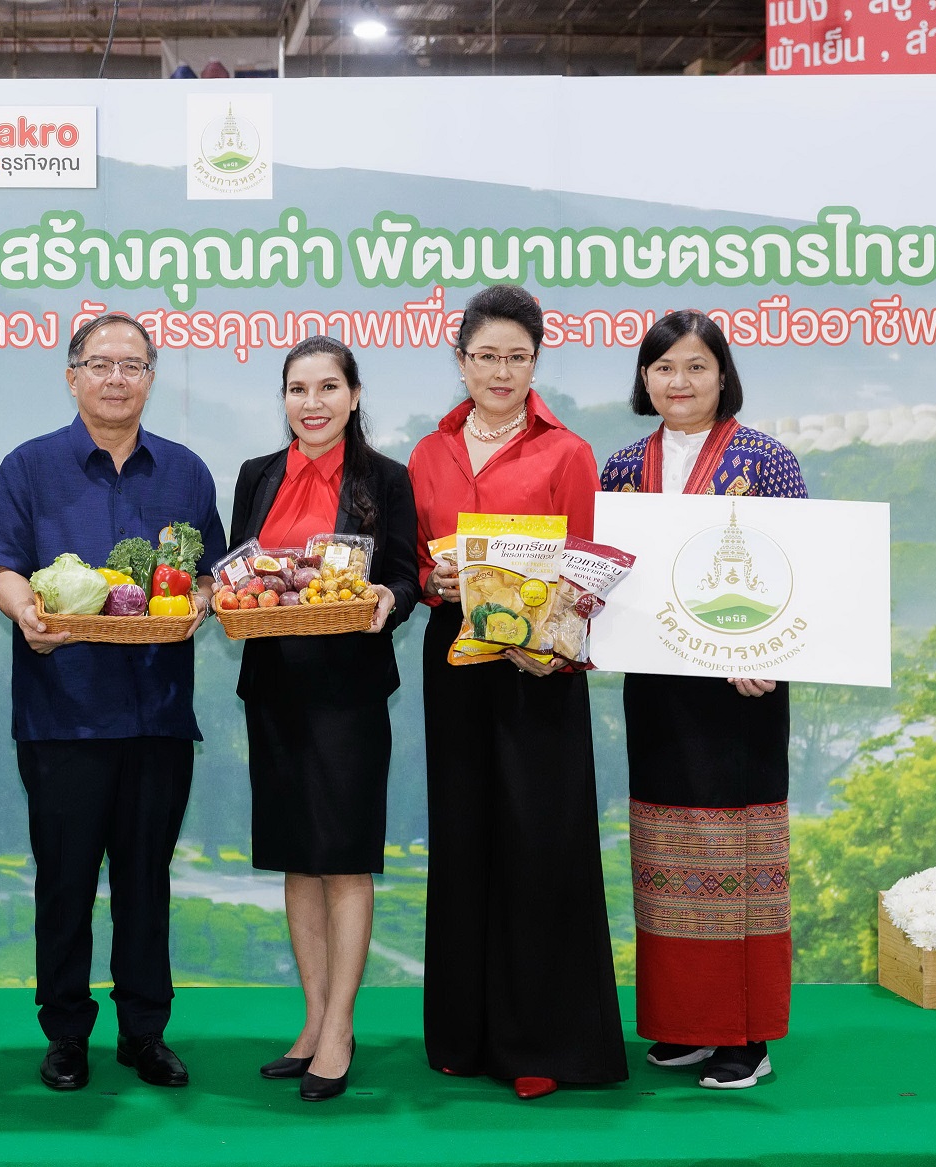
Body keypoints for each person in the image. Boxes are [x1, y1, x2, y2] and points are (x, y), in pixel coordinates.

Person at [0, 312, 227, 1092]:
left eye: (132, 365)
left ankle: (145, 1031)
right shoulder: (30, 466)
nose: (116, 378)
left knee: (148, 881)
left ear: (151, 376)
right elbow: (2, 567)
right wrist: (23, 611)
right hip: (62, 713)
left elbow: (214, 575)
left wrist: (204, 604)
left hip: (157, 713)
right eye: (100, 363)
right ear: (72, 374)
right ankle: (66, 1034)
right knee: (66, 881)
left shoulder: (185, 472)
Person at [406, 284, 627, 1100]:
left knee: (541, 841)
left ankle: (543, 1041)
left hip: (539, 668)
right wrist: (437, 576)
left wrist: (554, 646)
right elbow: (423, 568)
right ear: (459, 359)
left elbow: (586, 569)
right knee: (464, 835)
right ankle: (463, 1031)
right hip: (455, 658)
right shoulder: (428, 452)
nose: (500, 370)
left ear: (536, 361)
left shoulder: (567, 451)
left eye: (517, 356)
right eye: (486, 355)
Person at [601, 310, 807, 1091]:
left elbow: (798, 568)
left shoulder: (767, 459)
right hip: (656, 691)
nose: (678, 383)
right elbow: (607, 575)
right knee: (663, 851)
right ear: (644, 379)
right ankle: (686, 1023)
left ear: (723, 374)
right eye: (662, 368)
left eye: (694, 367)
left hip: (741, 691)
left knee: (737, 857)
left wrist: (773, 654)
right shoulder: (623, 464)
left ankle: (746, 1036)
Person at [229, 337, 419, 1102]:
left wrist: (388, 600)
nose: (312, 402)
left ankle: (339, 1027)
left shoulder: (386, 478)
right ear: (283, 398)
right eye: (298, 388)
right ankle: (310, 1020)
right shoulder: (255, 475)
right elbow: (239, 565)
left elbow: (406, 574)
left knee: (342, 856)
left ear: (354, 393)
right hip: (272, 689)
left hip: (348, 695)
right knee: (295, 857)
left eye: (328, 386)